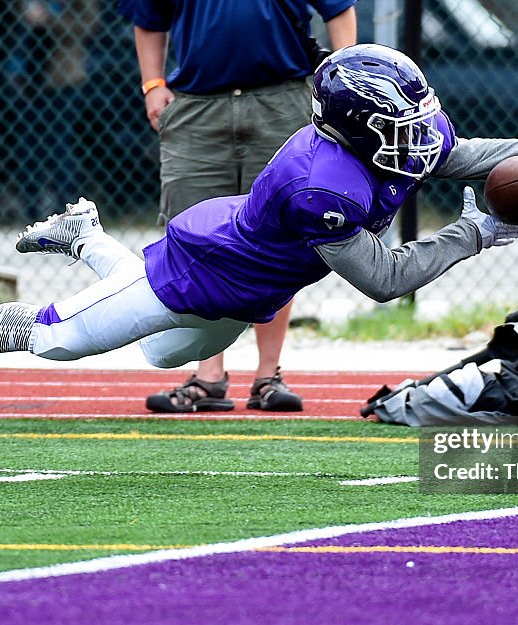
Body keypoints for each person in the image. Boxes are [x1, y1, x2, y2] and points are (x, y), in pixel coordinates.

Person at [0, 45, 518, 410]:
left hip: (242, 289)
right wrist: (475, 233)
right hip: (201, 272)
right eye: (401, 123)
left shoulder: (384, 138)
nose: (422, 136)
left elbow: (471, 154)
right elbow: (384, 281)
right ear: (358, 129)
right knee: (58, 337)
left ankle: (85, 237)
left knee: (162, 355)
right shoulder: (324, 184)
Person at [120, 0, 358, 413]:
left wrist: (342, 80)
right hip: (197, 106)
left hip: (283, 100)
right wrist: (153, 83)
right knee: (195, 246)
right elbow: (148, 16)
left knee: (284, 237)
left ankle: (268, 375)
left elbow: (340, 8)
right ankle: (208, 375)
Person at [11, 0, 100, 218]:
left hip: (62, 77)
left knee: (60, 145)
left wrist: (50, 20)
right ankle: (32, 212)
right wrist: (28, 15)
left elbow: (88, 24)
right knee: (29, 147)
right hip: (27, 76)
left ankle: (66, 210)